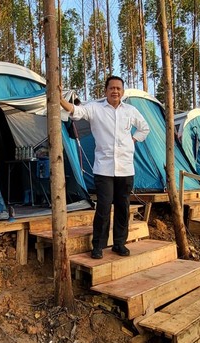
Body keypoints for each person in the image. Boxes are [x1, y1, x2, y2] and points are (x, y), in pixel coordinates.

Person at [60, 76, 150, 259]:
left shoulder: (130, 111)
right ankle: (98, 246)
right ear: (106, 91)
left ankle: (119, 244)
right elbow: (76, 111)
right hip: (104, 169)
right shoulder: (95, 108)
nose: (115, 91)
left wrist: (133, 139)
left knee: (123, 208)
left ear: (122, 92)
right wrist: (60, 99)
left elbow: (145, 128)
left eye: (118, 88)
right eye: (112, 88)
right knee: (103, 207)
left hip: (125, 168)